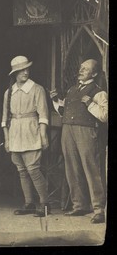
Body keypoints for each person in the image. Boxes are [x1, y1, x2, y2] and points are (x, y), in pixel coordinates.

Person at [50, 59, 108, 224]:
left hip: (86, 131)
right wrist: (55, 101)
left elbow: (105, 116)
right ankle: (79, 205)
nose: (81, 70)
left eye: (86, 69)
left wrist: (90, 103)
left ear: (94, 74)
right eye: (81, 67)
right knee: (72, 168)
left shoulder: (98, 92)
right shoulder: (72, 89)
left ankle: (98, 209)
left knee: (92, 169)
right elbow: (64, 111)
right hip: (68, 130)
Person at [1, 56, 50, 218]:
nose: (25, 72)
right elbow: (4, 119)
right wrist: (7, 139)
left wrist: (42, 136)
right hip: (15, 132)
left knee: (33, 170)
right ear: (14, 73)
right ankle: (29, 203)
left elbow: (43, 115)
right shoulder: (9, 92)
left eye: (27, 69)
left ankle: (44, 204)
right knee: (22, 170)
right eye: (21, 70)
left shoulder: (37, 89)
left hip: (31, 131)